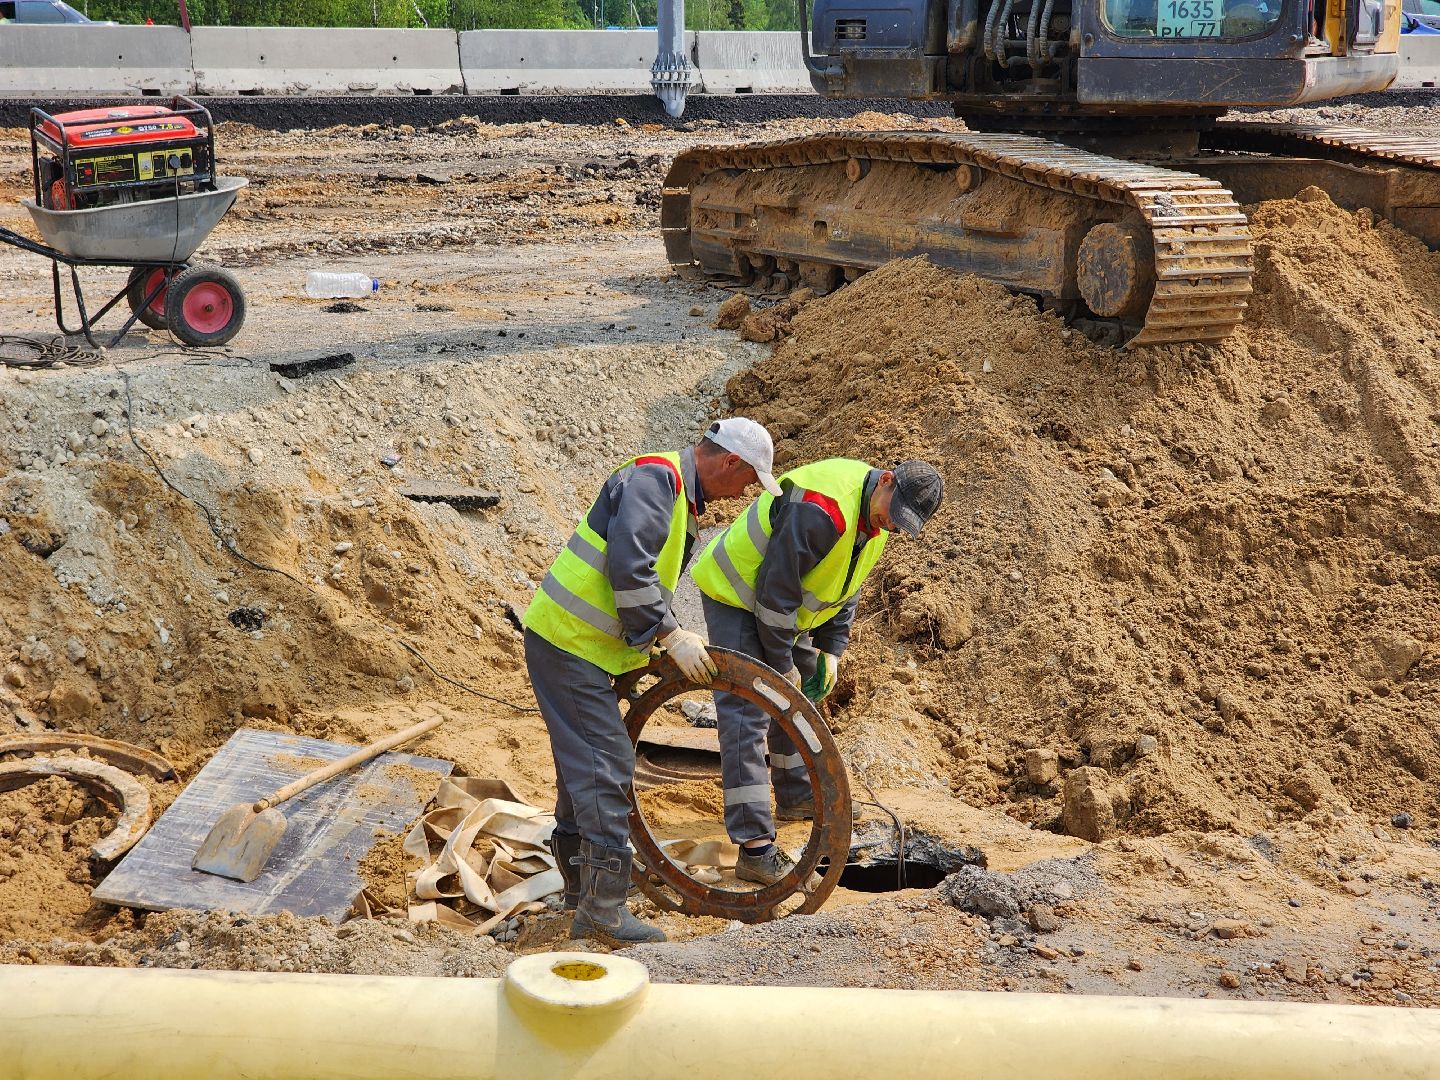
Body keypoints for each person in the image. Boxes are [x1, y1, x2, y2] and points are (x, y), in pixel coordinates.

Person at [523, 418, 782, 944]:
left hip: (581, 646)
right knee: (607, 767)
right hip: (570, 643)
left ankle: (581, 893)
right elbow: (630, 570)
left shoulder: (675, 493)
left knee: (585, 767)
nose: (743, 495)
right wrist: (670, 635)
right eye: (748, 481)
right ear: (730, 462)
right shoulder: (655, 481)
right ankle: (601, 908)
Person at [692, 457, 944, 885]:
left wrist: (831, 650)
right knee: (746, 713)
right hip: (737, 595)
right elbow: (775, 593)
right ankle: (754, 848)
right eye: (893, 512)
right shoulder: (821, 508)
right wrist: (782, 666)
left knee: (801, 700)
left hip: (783, 612)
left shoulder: (874, 522)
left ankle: (796, 795)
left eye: (902, 523)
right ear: (885, 480)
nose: (892, 526)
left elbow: (846, 586)